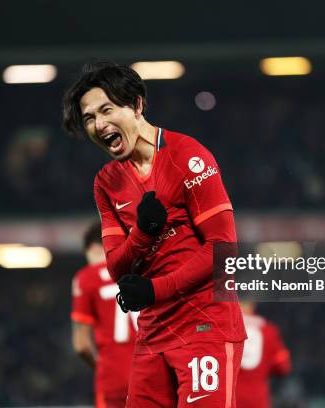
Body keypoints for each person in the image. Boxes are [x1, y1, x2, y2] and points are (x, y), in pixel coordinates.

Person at [63, 61, 246, 407]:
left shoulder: (188, 157)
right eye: (89, 118)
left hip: (204, 327)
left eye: (106, 110)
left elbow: (224, 248)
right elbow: (117, 267)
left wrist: (154, 289)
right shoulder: (106, 182)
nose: (99, 124)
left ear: (136, 105)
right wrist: (143, 234)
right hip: (153, 333)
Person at [71, 221, 138, 408]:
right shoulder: (141, 269)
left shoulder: (87, 277)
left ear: (92, 248)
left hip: (113, 379)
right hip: (150, 374)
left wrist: (100, 367)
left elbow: (81, 345)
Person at [236, 302, 291, 408]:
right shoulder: (269, 330)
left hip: (229, 399)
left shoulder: (222, 327)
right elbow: (283, 367)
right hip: (257, 400)